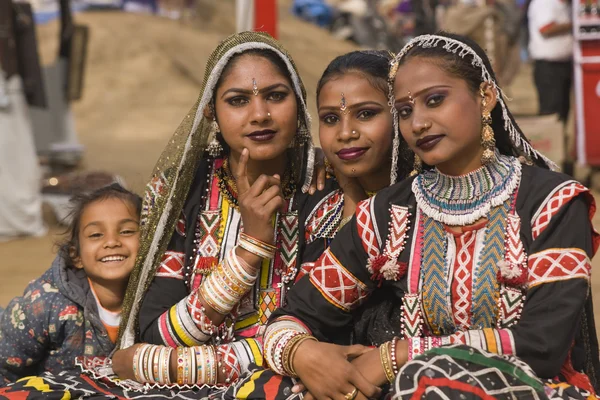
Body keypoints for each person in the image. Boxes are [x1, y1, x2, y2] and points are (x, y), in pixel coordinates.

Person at [258, 32, 600, 400]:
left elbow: (541, 345)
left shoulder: (553, 202)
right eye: (405, 111)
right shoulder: (388, 214)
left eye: (434, 101)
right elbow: (292, 318)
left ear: (485, 97)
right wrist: (304, 354)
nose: (418, 123)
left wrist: (398, 356)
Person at [0, 183, 141, 385]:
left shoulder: (159, 304)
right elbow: (4, 365)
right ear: (76, 256)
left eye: (126, 231)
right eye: (95, 235)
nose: (111, 242)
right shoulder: (45, 305)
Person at [528, 0, 573, 122]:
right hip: (548, 67)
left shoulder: (567, 5)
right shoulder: (544, 2)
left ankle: (560, 140)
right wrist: (575, 24)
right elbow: (546, 28)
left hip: (564, 64)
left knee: (563, 111)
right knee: (550, 112)